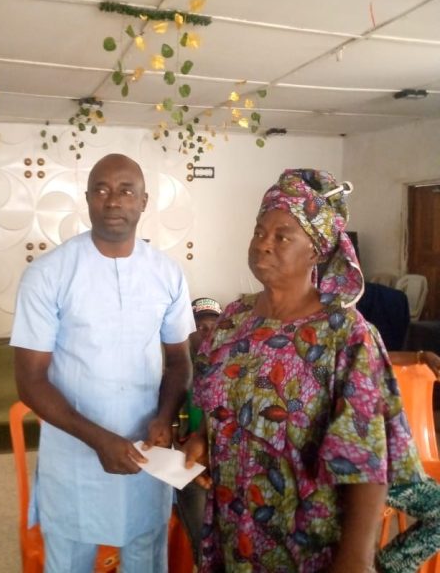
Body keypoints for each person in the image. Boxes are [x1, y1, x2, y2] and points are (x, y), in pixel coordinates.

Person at [184, 168, 436, 572]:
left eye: (282, 236)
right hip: (236, 532)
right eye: (259, 231)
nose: (263, 243)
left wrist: (356, 558)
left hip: (309, 543)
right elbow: (222, 409)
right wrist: (203, 443)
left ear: (317, 251)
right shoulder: (232, 321)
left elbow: (366, 455)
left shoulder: (346, 334)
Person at [10, 153, 195, 573]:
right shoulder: (49, 274)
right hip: (74, 451)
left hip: (145, 450)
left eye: (126, 191)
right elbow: (31, 381)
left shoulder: (167, 274)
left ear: (144, 201)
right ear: (88, 198)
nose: (113, 200)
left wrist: (165, 416)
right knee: (69, 558)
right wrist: (98, 440)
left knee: (145, 555)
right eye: (102, 190)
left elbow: (179, 362)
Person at [176, 297, 223, 565]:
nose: (207, 332)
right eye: (200, 327)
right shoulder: (176, 376)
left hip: (227, 467)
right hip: (191, 469)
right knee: (204, 547)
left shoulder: (234, 368)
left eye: (213, 326)